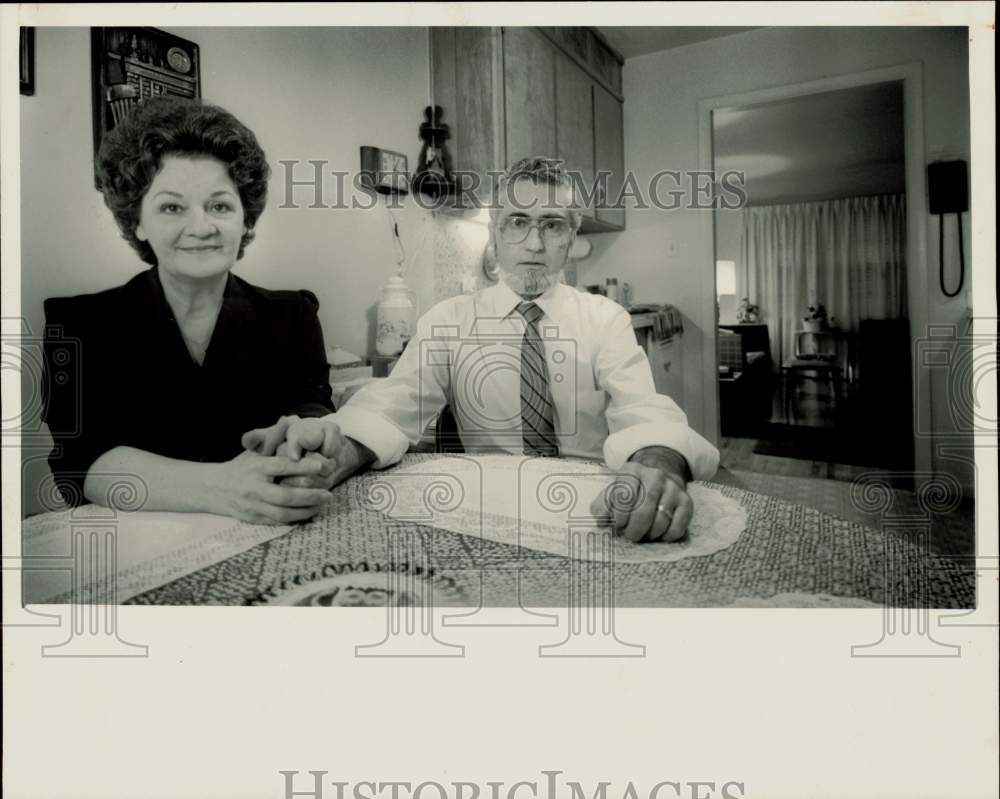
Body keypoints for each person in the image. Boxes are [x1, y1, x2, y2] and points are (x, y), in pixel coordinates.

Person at [246, 157, 720, 541]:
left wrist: (658, 467)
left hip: (595, 511)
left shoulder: (606, 319)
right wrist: (334, 456)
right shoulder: (448, 320)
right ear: (495, 235)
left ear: (571, 238)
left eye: (552, 225)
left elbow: (645, 413)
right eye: (518, 222)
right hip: (489, 511)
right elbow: (390, 410)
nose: (534, 242)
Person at [42, 96, 335, 524]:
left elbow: (312, 406)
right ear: (137, 220)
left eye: (219, 205)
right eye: (172, 207)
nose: (201, 227)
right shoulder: (81, 325)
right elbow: (79, 463)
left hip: (272, 533)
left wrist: (310, 434)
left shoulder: (293, 314)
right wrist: (222, 488)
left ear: (246, 219)